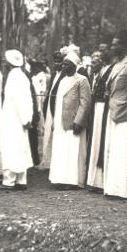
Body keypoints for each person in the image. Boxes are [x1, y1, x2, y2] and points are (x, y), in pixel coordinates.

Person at [103, 29, 127, 200]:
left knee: (124, 153)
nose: (112, 46)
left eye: (116, 44)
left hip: (125, 113)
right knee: (114, 151)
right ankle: (113, 189)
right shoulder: (117, 64)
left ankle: (125, 190)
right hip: (114, 112)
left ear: (125, 46)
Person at [49, 52, 91, 190]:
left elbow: (85, 103)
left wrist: (78, 121)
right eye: (63, 63)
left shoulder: (82, 80)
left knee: (73, 151)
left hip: (73, 122)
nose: (63, 65)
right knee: (62, 150)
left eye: (67, 64)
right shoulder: (62, 80)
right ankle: (60, 178)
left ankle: (72, 181)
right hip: (61, 122)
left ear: (74, 65)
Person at [0, 50, 34, 190]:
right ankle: (21, 180)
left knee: (11, 148)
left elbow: (21, 100)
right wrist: (27, 118)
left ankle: (9, 181)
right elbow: (28, 100)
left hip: (14, 119)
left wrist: (25, 118)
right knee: (20, 147)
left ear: (9, 63)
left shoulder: (14, 77)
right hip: (18, 118)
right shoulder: (22, 76)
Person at [86, 44, 115, 193]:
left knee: (102, 142)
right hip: (97, 109)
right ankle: (93, 180)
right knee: (95, 142)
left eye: (104, 52)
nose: (101, 54)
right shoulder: (98, 72)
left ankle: (101, 181)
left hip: (104, 108)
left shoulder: (111, 69)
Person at [40, 51, 64, 169]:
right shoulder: (55, 74)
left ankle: (54, 162)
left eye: (59, 61)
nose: (57, 64)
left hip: (57, 107)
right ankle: (46, 160)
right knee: (48, 132)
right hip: (50, 106)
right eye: (55, 61)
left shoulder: (64, 75)